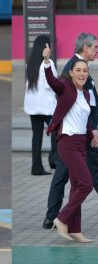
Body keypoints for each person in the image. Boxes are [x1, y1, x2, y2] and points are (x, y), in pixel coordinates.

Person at [43, 33, 98, 229]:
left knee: (70, 176)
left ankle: (54, 217)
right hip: (74, 135)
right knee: (78, 175)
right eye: (95, 47)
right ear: (86, 48)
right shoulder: (73, 68)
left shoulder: (81, 67)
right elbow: (61, 91)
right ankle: (54, 217)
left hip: (82, 132)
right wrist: (94, 129)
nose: (97, 51)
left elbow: (88, 101)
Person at [24, 35, 58, 175]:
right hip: (47, 107)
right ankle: (54, 160)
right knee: (57, 132)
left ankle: (36, 167)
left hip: (33, 107)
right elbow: (53, 83)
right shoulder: (47, 63)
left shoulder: (30, 62)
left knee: (36, 137)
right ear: (46, 47)